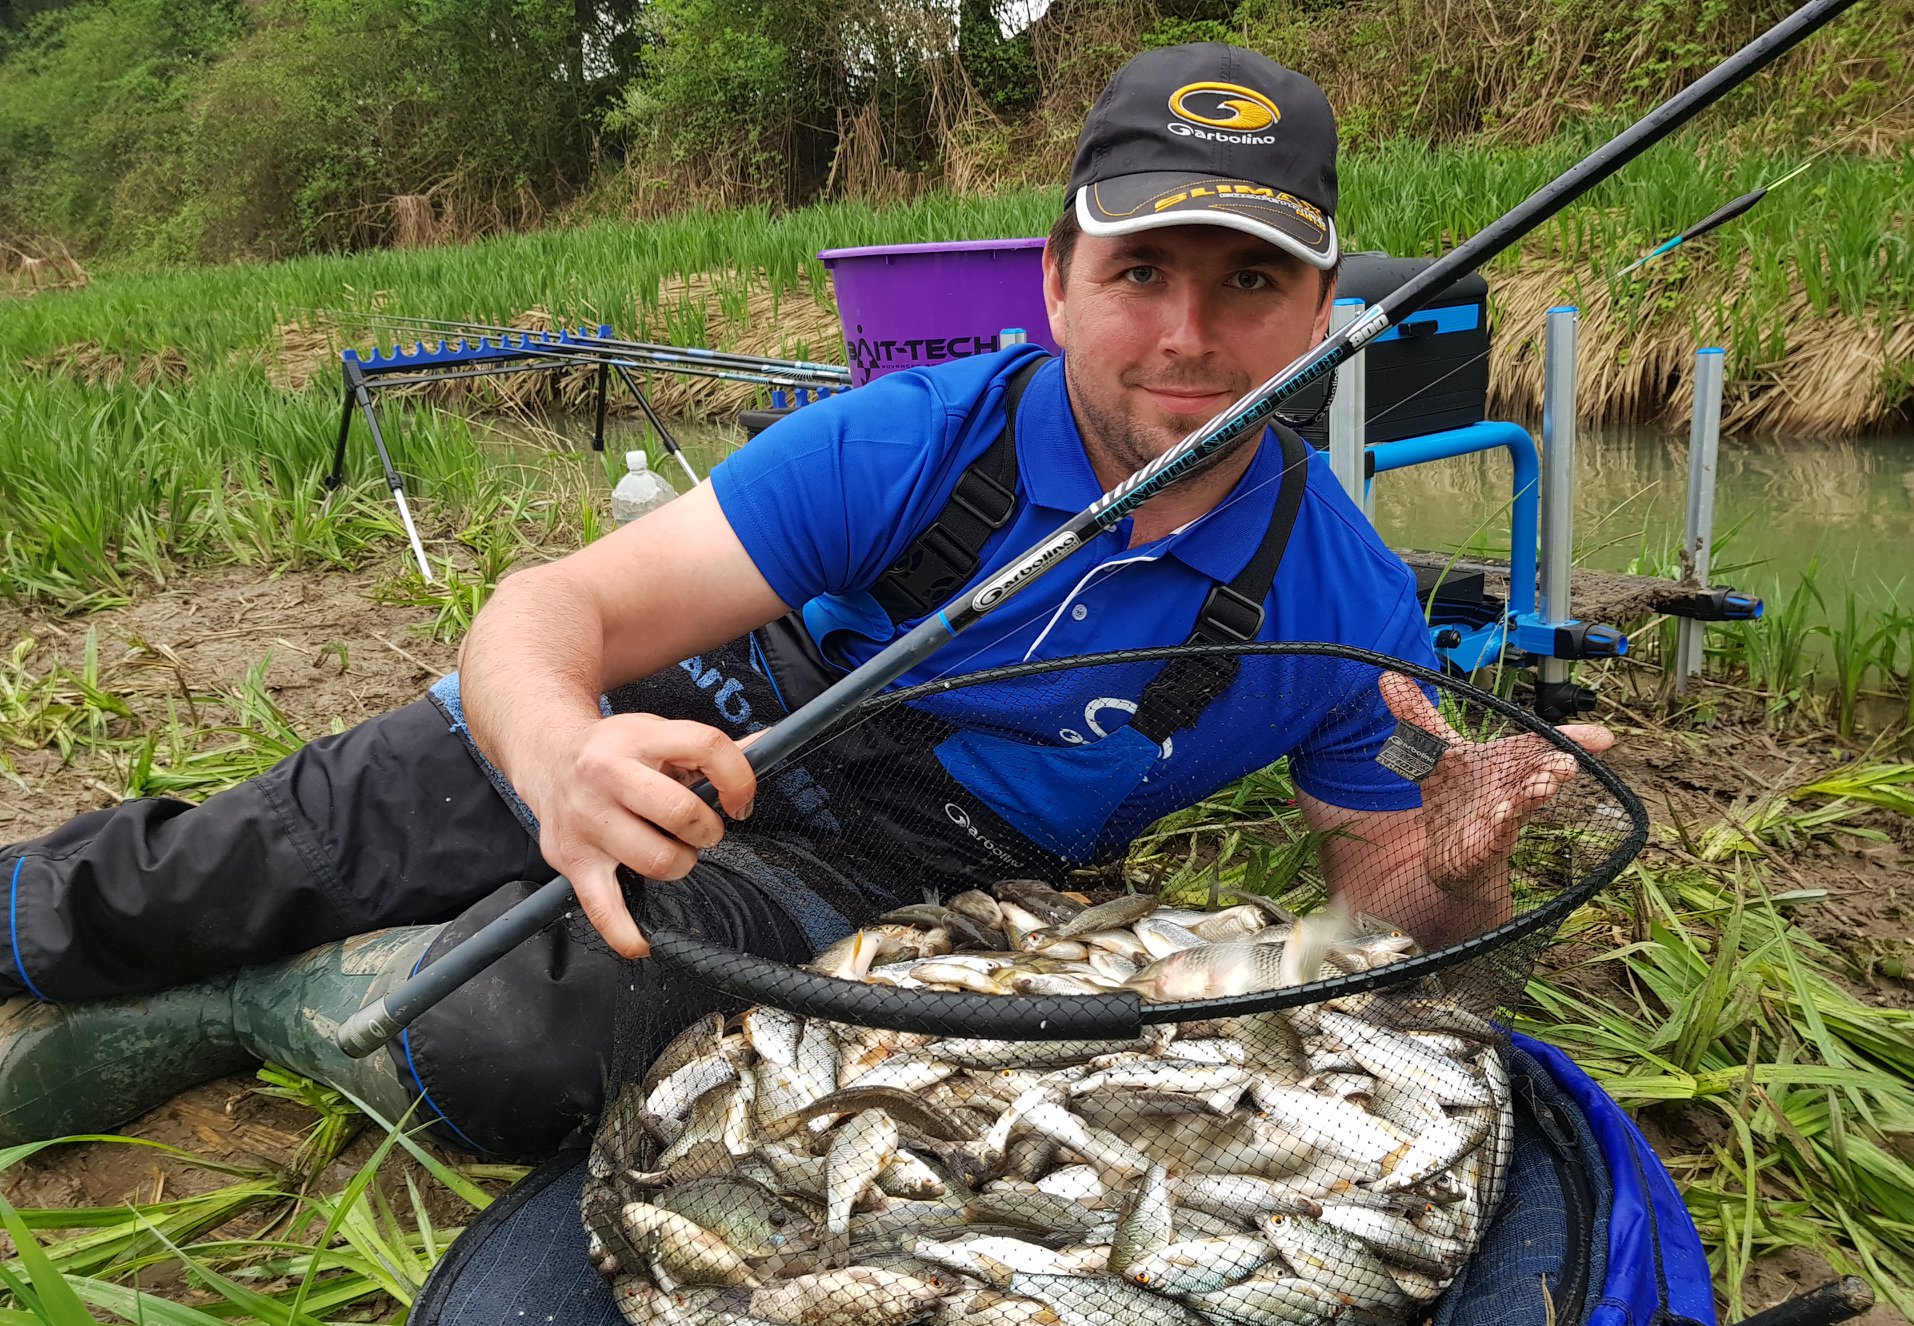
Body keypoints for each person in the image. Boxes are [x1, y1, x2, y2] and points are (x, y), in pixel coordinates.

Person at [0, 43, 1608, 1161]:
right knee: (241, 856)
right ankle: (98, 931)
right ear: (1056, 283)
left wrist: (1457, 871)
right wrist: (564, 760)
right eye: (1141, 274)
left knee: (502, 1048)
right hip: (705, 716)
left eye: (1250, 282)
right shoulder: (919, 433)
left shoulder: (1347, 598)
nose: (1188, 334)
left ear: (1330, 312)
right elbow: (546, 611)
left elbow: (1377, 912)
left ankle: (247, 1009)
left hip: (892, 870)